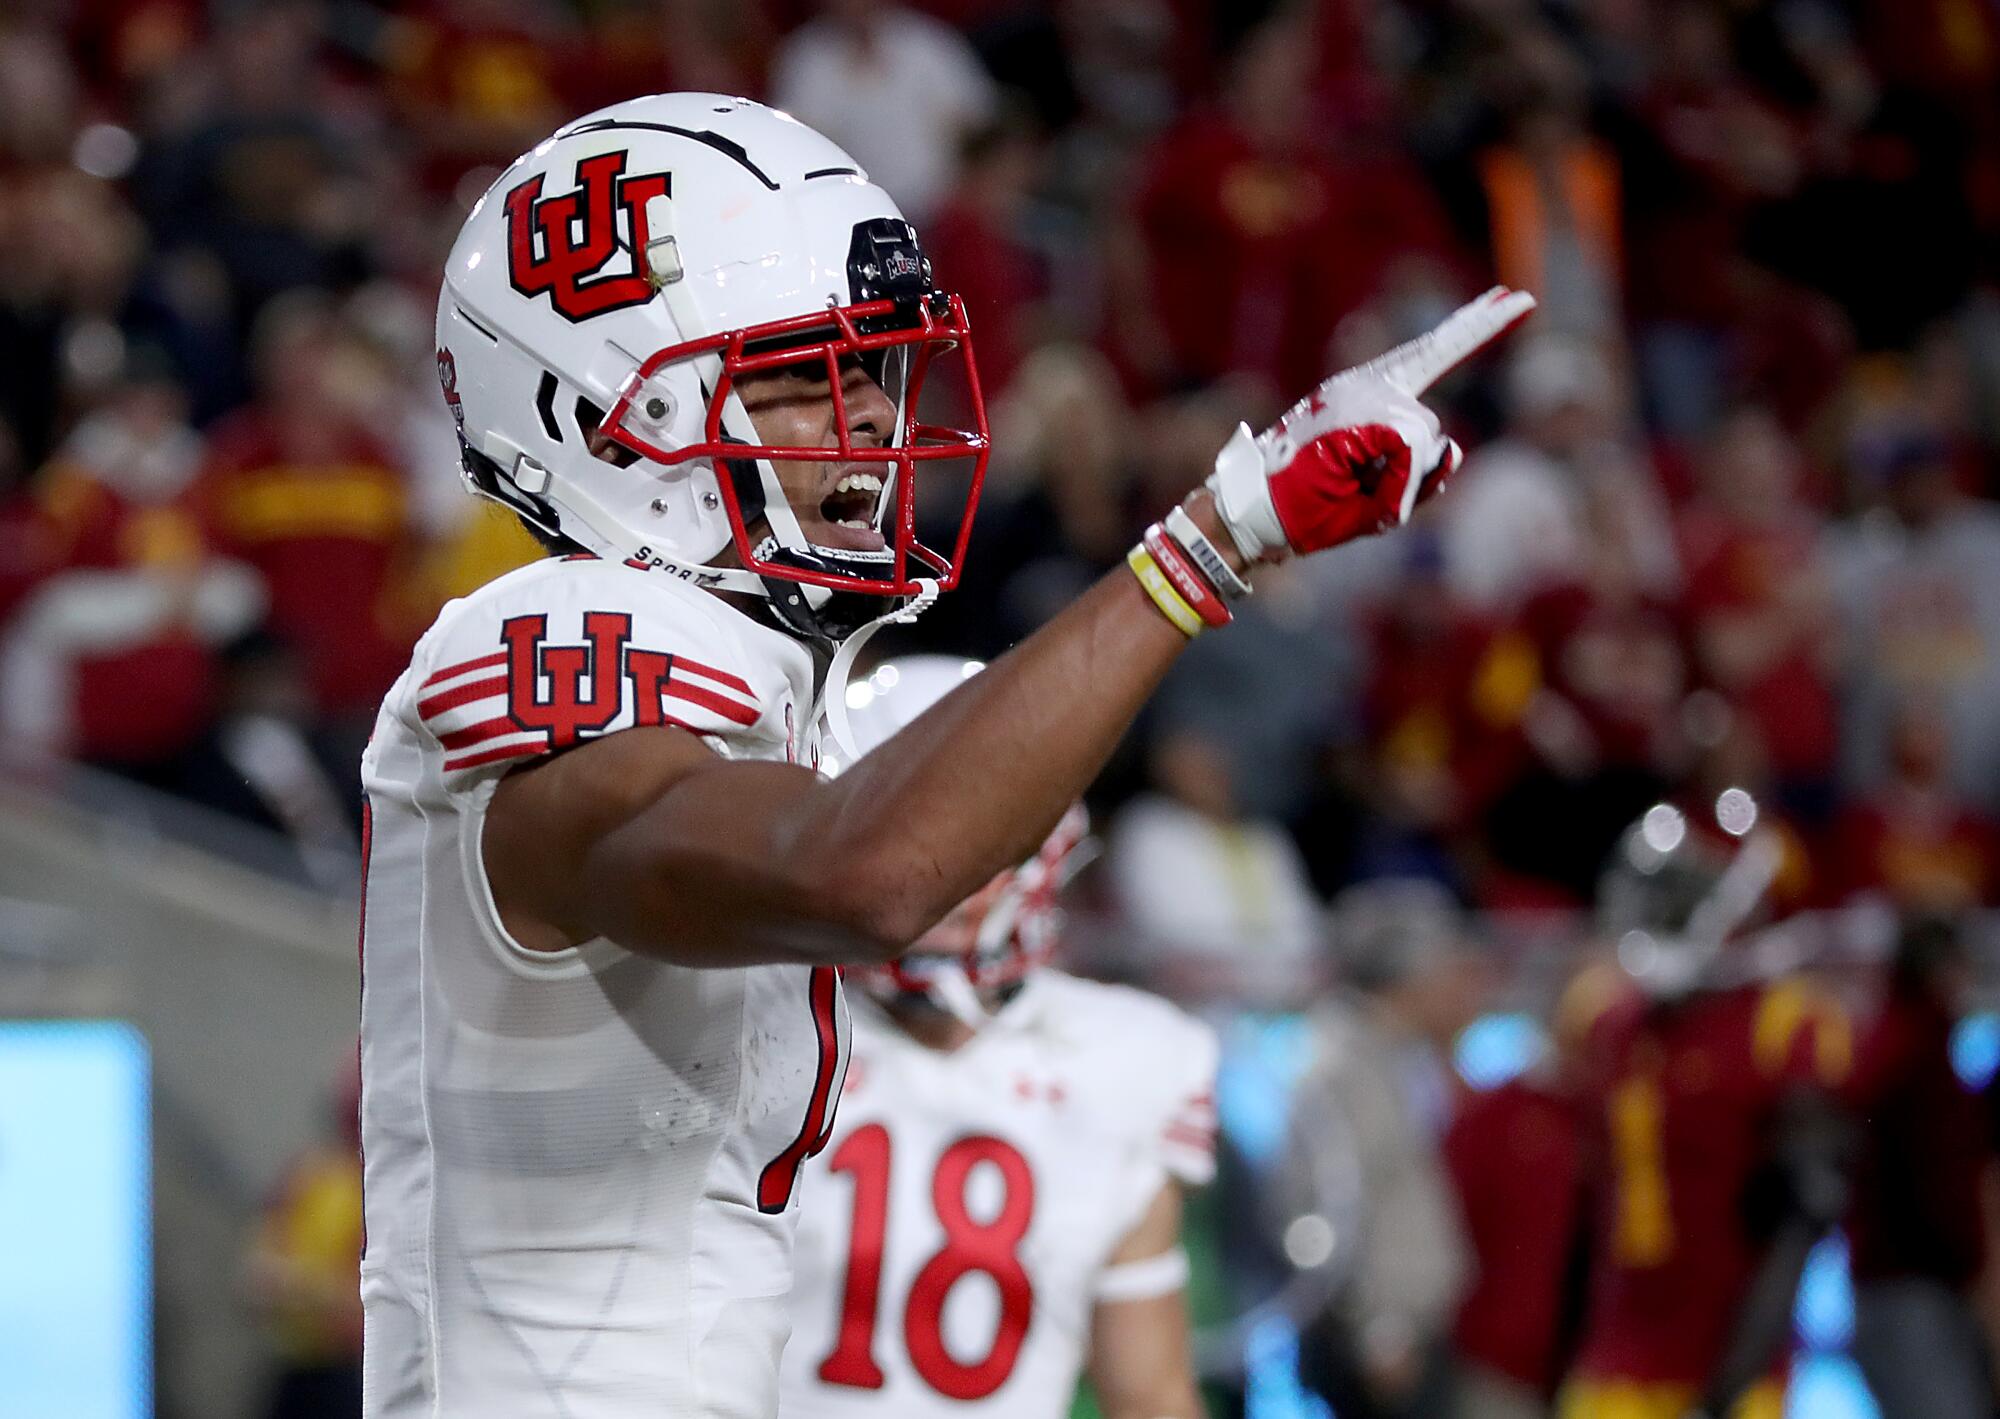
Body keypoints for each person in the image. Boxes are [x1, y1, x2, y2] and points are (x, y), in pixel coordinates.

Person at [360, 90, 1533, 1419]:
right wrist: (1214, 540)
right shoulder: (561, 632)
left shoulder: (750, 675)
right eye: (800, 376)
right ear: (597, 421)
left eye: (870, 367)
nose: (866, 417)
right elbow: (866, 869)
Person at [780, 656, 1214, 1419]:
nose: (944, 871)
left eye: (984, 836)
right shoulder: (756, 1025)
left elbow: (1149, 1392)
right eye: (903, 830)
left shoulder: (1126, 1057)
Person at [1559, 798, 1851, 1419]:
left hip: (1727, 1359)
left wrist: (1727, 1388)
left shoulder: (1782, 1026)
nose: (1649, 919)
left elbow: (1802, 1217)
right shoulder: (1609, 1022)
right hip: (1616, 1353)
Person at [1271, 881, 1486, 1419]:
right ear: (1409, 979)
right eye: (1450, 971)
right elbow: (1324, 1208)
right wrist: (1378, 1330)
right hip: (1381, 1345)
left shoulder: (1395, 1055)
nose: (1465, 988)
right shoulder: (1345, 1069)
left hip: (1408, 1332)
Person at [1844, 915, 1992, 1419]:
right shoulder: (1918, 1056)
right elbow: (1940, 1190)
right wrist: (1976, 1274)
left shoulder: (1889, 1040)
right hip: (1910, 1294)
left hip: (1885, 1290)